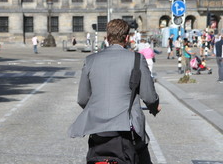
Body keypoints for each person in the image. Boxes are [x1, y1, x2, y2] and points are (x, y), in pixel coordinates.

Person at [68, 19, 161, 164]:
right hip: (128, 130)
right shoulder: (137, 59)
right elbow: (149, 96)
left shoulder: (90, 60)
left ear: (108, 37)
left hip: (98, 131)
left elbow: (82, 99)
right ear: (127, 38)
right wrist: (154, 107)